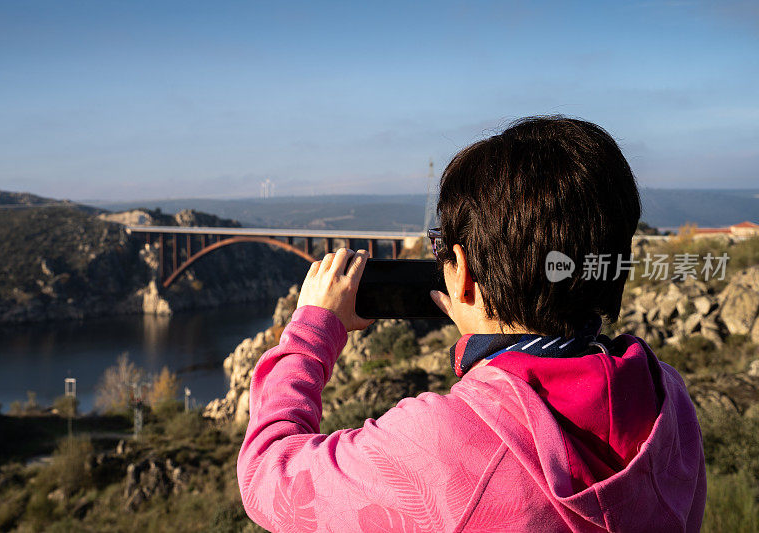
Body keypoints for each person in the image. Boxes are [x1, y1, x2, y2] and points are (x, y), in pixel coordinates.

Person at [237, 116, 706, 532]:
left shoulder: (440, 446)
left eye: (441, 246)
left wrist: (312, 332)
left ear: (459, 268)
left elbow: (267, 477)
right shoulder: (667, 400)